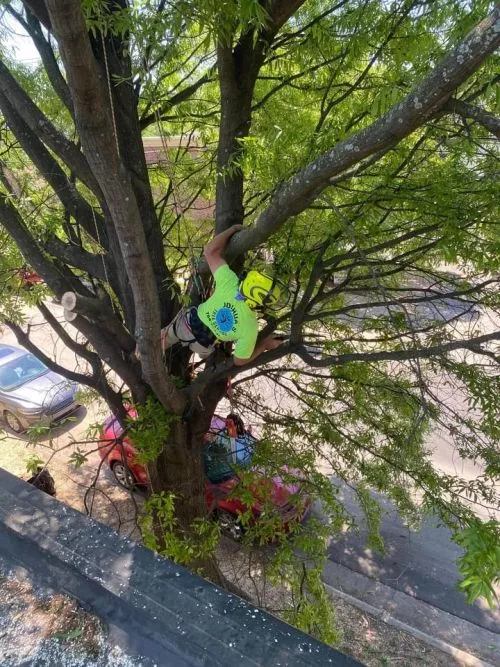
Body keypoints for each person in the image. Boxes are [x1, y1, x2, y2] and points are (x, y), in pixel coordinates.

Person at [161, 224, 283, 365]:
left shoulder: (230, 283)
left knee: (162, 339)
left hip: (186, 327)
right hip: (203, 347)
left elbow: (210, 251)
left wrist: (233, 229)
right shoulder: (250, 326)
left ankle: (138, 355)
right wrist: (264, 345)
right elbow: (239, 361)